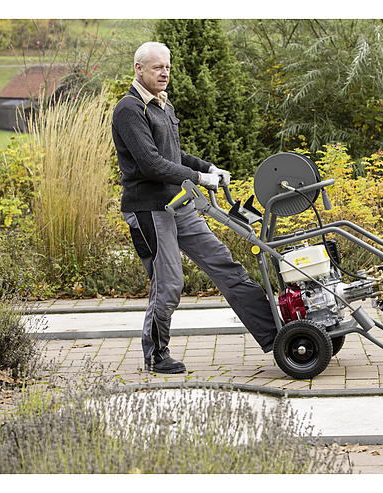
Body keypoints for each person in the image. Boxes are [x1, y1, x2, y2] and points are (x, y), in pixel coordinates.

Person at [111, 41, 277, 374]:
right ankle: (156, 355)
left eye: (167, 67)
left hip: (179, 205)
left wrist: (208, 167)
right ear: (138, 69)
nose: (164, 73)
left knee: (225, 265)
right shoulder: (130, 110)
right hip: (150, 210)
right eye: (157, 67)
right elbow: (152, 164)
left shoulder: (162, 104)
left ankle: (277, 334)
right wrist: (200, 178)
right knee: (169, 283)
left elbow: (174, 155)